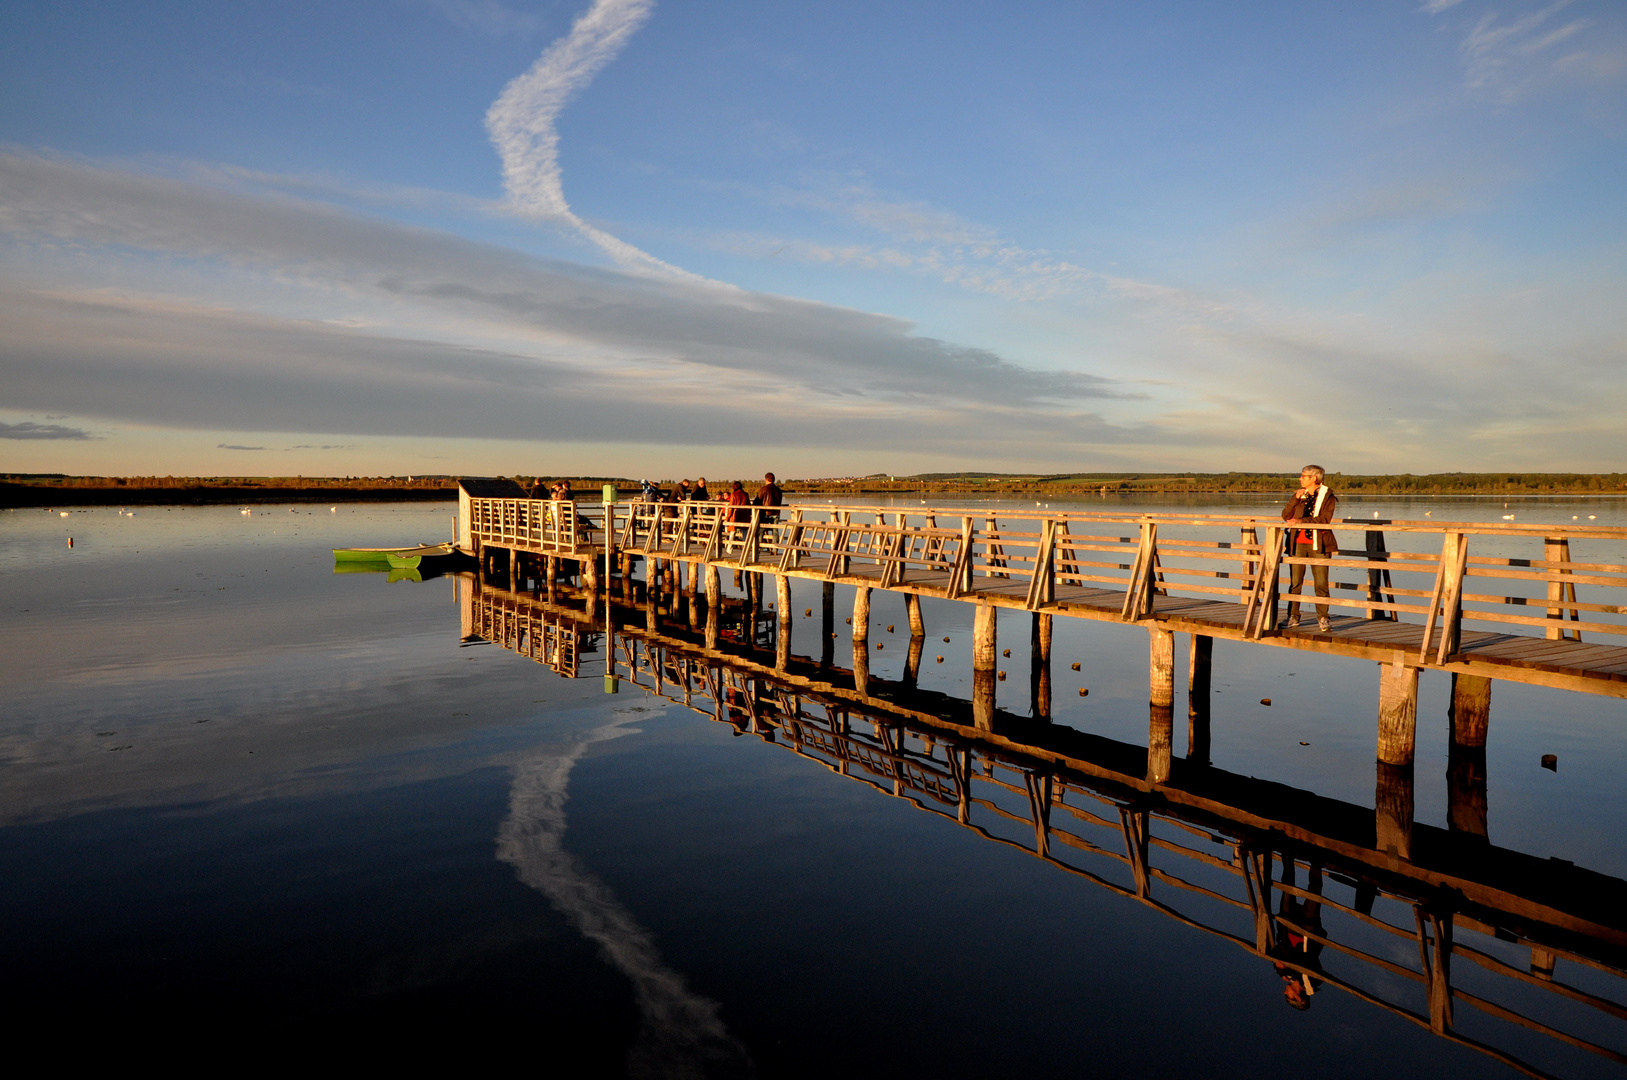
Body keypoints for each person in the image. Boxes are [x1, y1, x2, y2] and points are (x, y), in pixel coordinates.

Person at [1282, 465, 1337, 631]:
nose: (1300, 479)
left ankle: (1323, 618)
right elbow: (1285, 516)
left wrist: (1300, 522)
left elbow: (1325, 519)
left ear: (1314, 478)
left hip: (1318, 543)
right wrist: (1295, 499)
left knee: (1321, 583)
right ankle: (1293, 616)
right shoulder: (1300, 495)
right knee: (1295, 582)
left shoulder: (1328, 497)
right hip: (1297, 543)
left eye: (1303, 476)